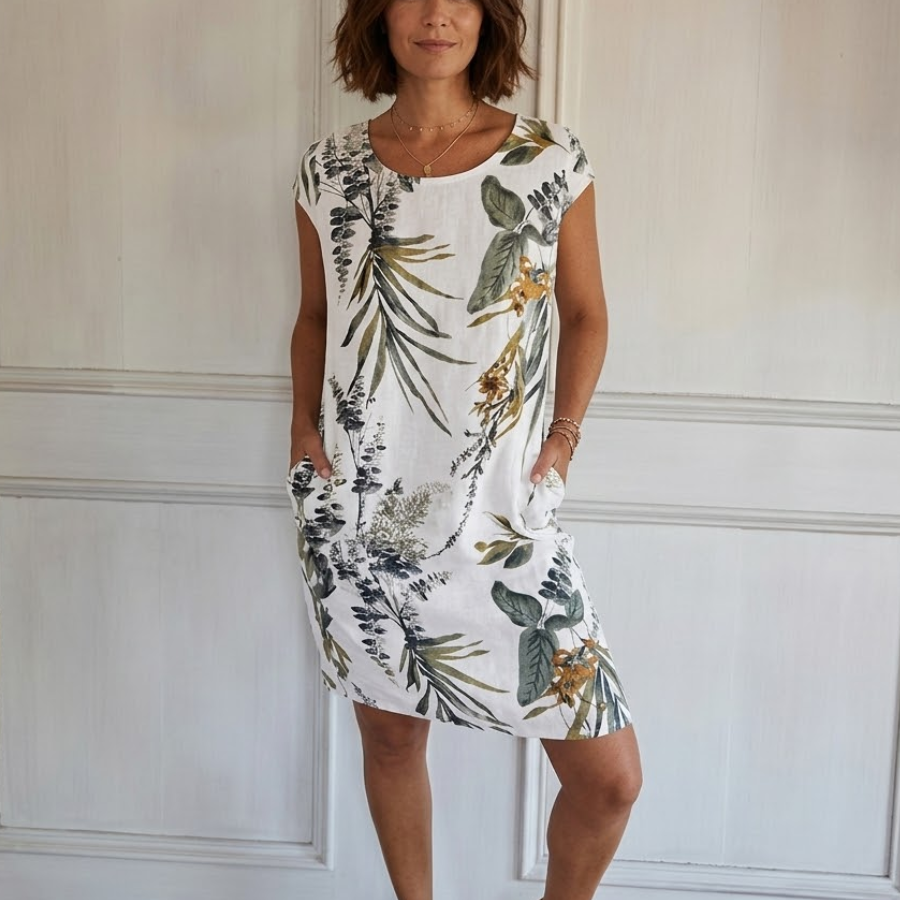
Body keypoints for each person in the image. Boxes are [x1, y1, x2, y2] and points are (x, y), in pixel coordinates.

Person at [285, 1, 642, 898]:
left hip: (503, 514)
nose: (436, 14)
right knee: (390, 734)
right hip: (363, 504)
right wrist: (302, 431)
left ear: (488, 19)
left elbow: (587, 314)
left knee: (609, 781)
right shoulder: (329, 169)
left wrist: (563, 438)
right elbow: (317, 317)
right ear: (378, 17)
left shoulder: (548, 160)